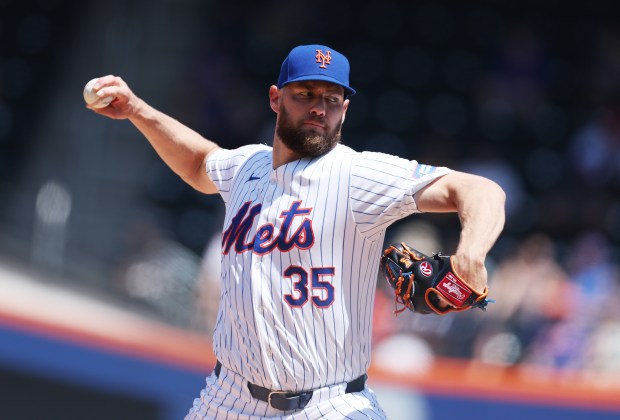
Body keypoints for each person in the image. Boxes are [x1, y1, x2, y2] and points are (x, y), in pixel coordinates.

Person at [87, 44, 506, 419]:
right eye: (305, 94)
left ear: (345, 109)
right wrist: (137, 110)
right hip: (228, 397)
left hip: (329, 405)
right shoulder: (247, 167)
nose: (319, 108)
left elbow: (478, 189)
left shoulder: (357, 174)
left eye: (332, 99)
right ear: (276, 98)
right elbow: (200, 164)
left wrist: (471, 252)